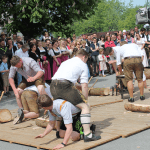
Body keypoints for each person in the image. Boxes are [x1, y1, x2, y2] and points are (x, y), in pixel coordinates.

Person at [50, 48, 101, 142]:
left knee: (62, 105)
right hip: (65, 86)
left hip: (53, 85)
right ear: (84, 57)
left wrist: (76, 86)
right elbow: (84, 85)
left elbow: (64, 78)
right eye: (86, 59)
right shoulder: (83, 64)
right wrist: (85, 100)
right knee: (84, 107)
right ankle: (87, 134)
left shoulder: (66, 62)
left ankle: (59, 131)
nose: (86, 61)